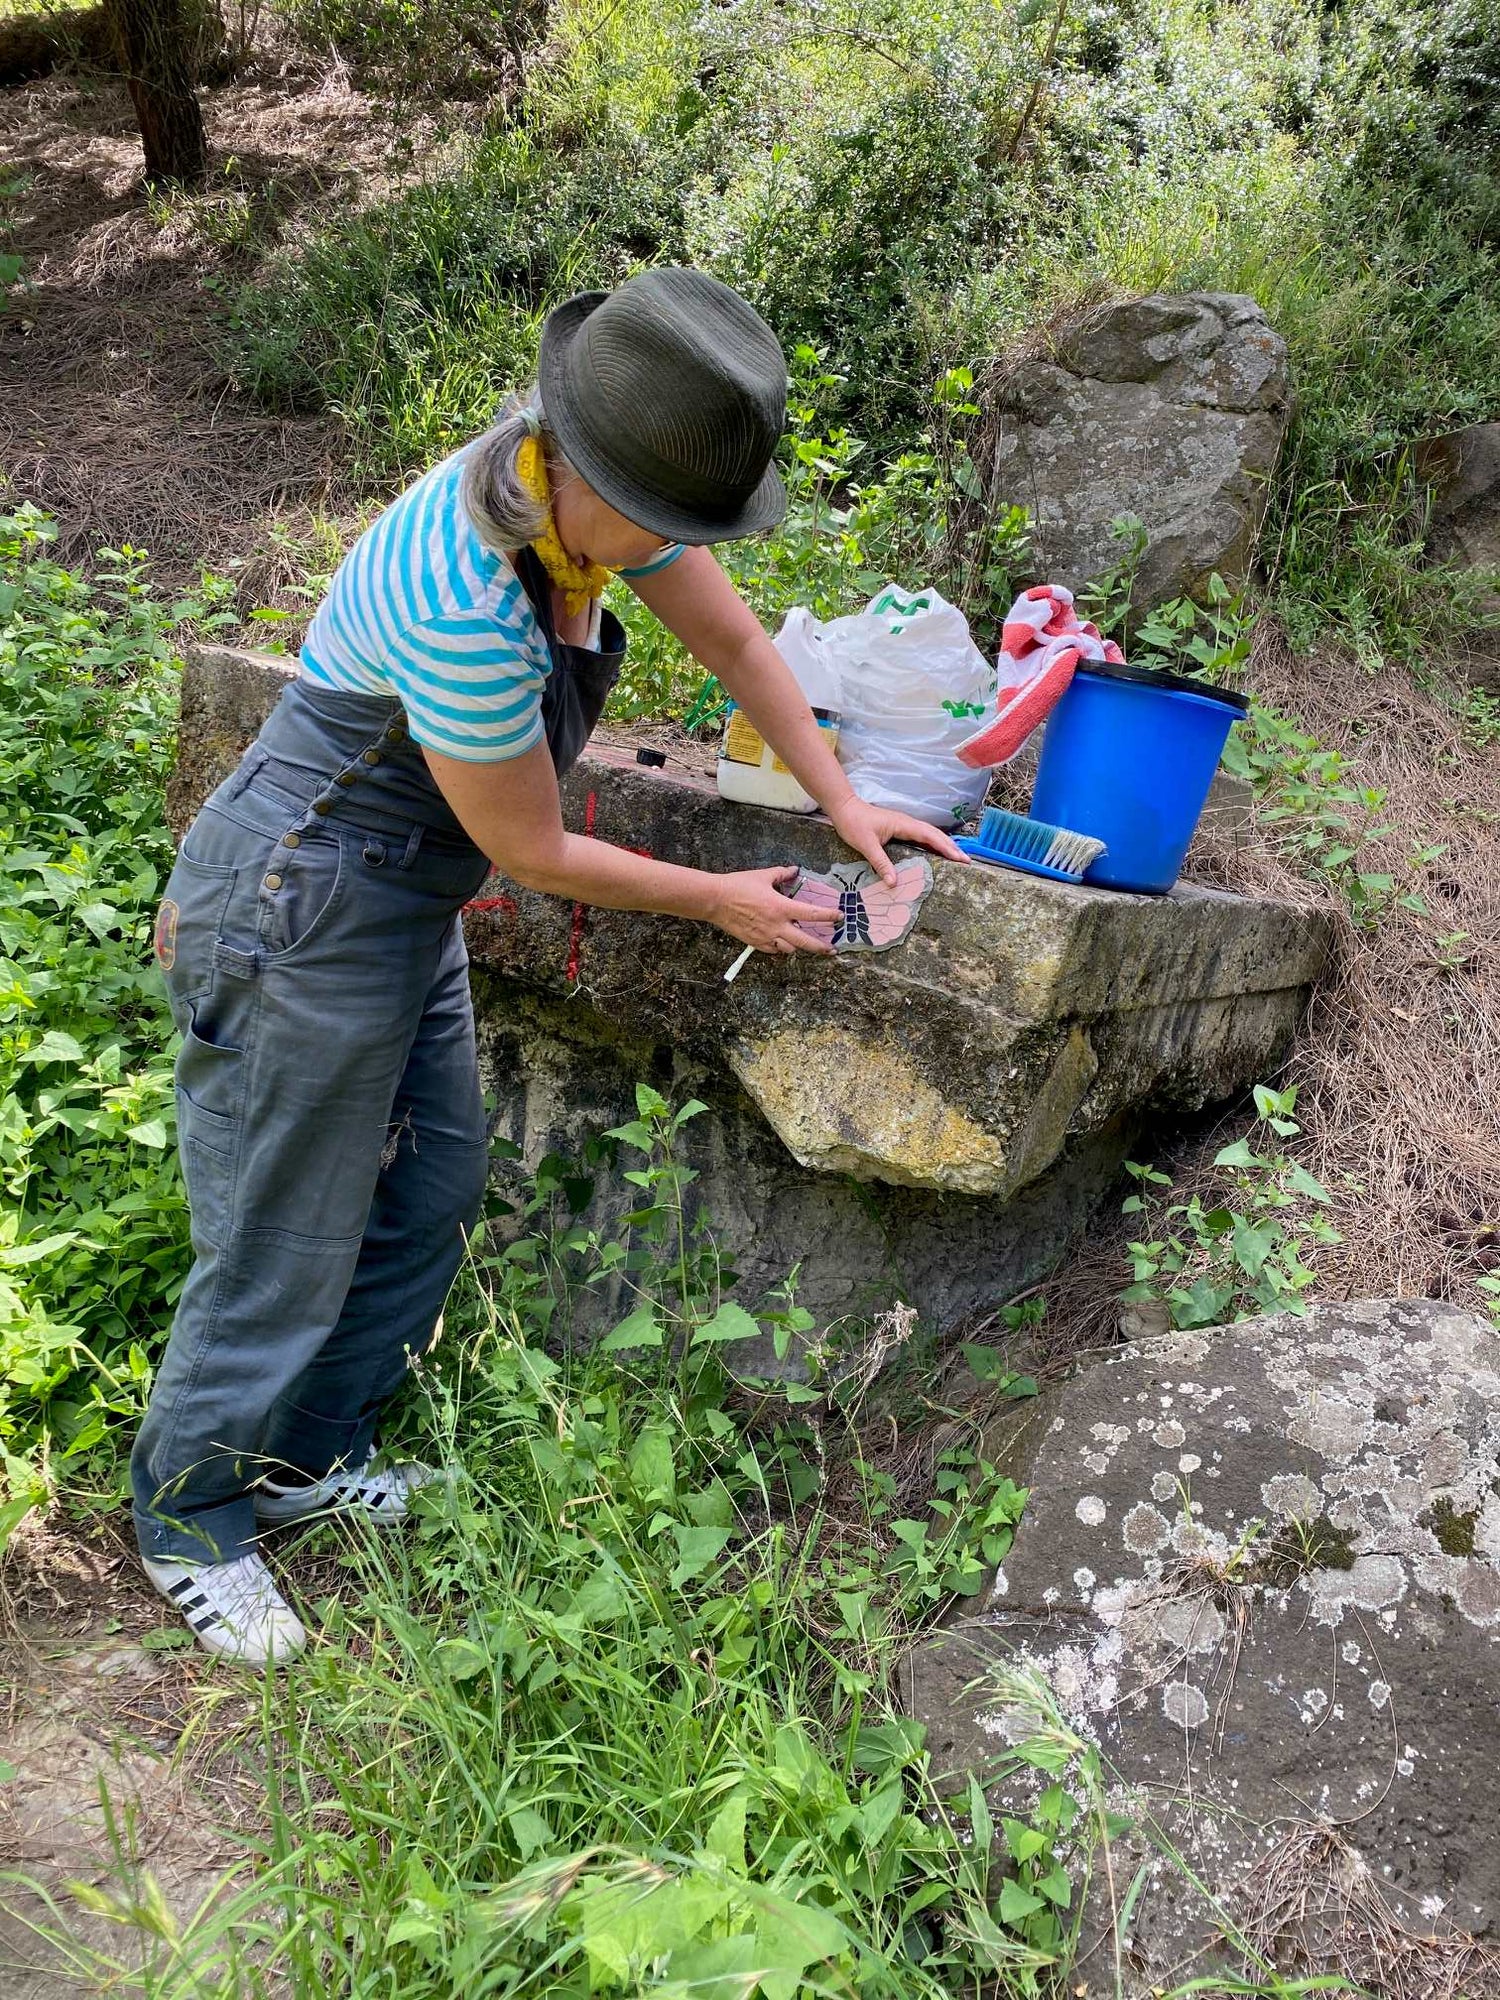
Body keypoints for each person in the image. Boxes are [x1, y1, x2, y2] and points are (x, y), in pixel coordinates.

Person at [134, 266, 962, 1664]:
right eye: (669, 524)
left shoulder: (587, 505)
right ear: (580, 463)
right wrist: (719, 902)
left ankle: (306, 1462)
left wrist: (844, 800)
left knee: (432, 1188)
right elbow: (530, 849)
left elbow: (737, 638)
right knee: (284, 1229)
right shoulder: (465, 593)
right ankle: (188, 1518)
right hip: (303, 893)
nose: (679, 549)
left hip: (401, 893)